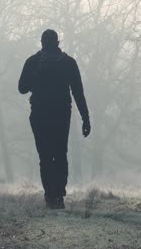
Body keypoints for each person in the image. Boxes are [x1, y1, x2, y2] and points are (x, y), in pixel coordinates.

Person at [18, 29, 91, 209]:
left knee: (47, 156)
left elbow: (22, 88)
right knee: (59, 155)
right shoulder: (67, 63)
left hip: (42, 115)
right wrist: (85, 118)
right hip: (59, 115)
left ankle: (53, 195)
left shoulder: (33, 61)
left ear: (42, 42)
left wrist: (36, 74)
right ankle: (57, 194)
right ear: (57, 42)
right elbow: (78, 93)